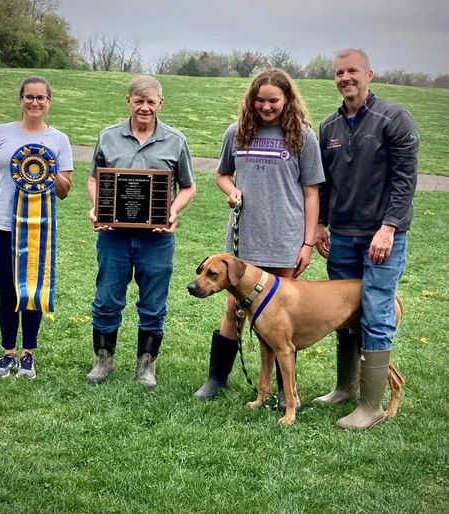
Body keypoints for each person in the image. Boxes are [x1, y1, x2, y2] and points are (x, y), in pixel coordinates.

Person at [194, 68, 325, 404]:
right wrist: (231, 190)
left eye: (274, 101)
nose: (266, 107)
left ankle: (285, 393)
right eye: (260, 100)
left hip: (285, 240)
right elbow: (222, 175)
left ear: (287, 100)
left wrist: (307, 243)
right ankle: (216, 379)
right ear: (251, 100)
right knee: (233, 311)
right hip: (245, 241)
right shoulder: (237, 133)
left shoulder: (303, 136)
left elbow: (311, 193)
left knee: (281, 317)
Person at [314, 48, 419, 430]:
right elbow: (323, 184)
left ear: (369, 74)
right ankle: (346, 387)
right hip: (342, 236)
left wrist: (389, 227)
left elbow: (406, 180)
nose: (346, 78)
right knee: (343, 315)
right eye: (340, 72)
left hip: (381, 238)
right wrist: (321, 224)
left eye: (352, 71)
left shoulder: (393, 119)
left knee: (376, 312)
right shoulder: (329, 127)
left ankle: (372, 405)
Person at [86, 75, 195, 387]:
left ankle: (146, 365)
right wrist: (98, 207)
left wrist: (173, 210)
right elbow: (94, 179)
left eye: (151, 102)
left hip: (157, 239)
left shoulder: (175, 140)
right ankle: (102, 360)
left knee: (153, 303)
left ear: (160, 104)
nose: (144, 108)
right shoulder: (108, 137)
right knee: (107, 298)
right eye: (139, 101)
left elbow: (188, 186)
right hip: (113, 235)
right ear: (129, 102)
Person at [0, 76, 73, 379]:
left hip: (37, 226)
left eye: (41, 98)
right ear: (20, 100)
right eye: (29, 97)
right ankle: (7, 353)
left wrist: (49, 168)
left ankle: (28, 354)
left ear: (49, 102)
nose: (35, 102)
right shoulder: (0, 133)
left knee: (32, 288)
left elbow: (64, 189)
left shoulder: (58, 139)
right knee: (6, 289)